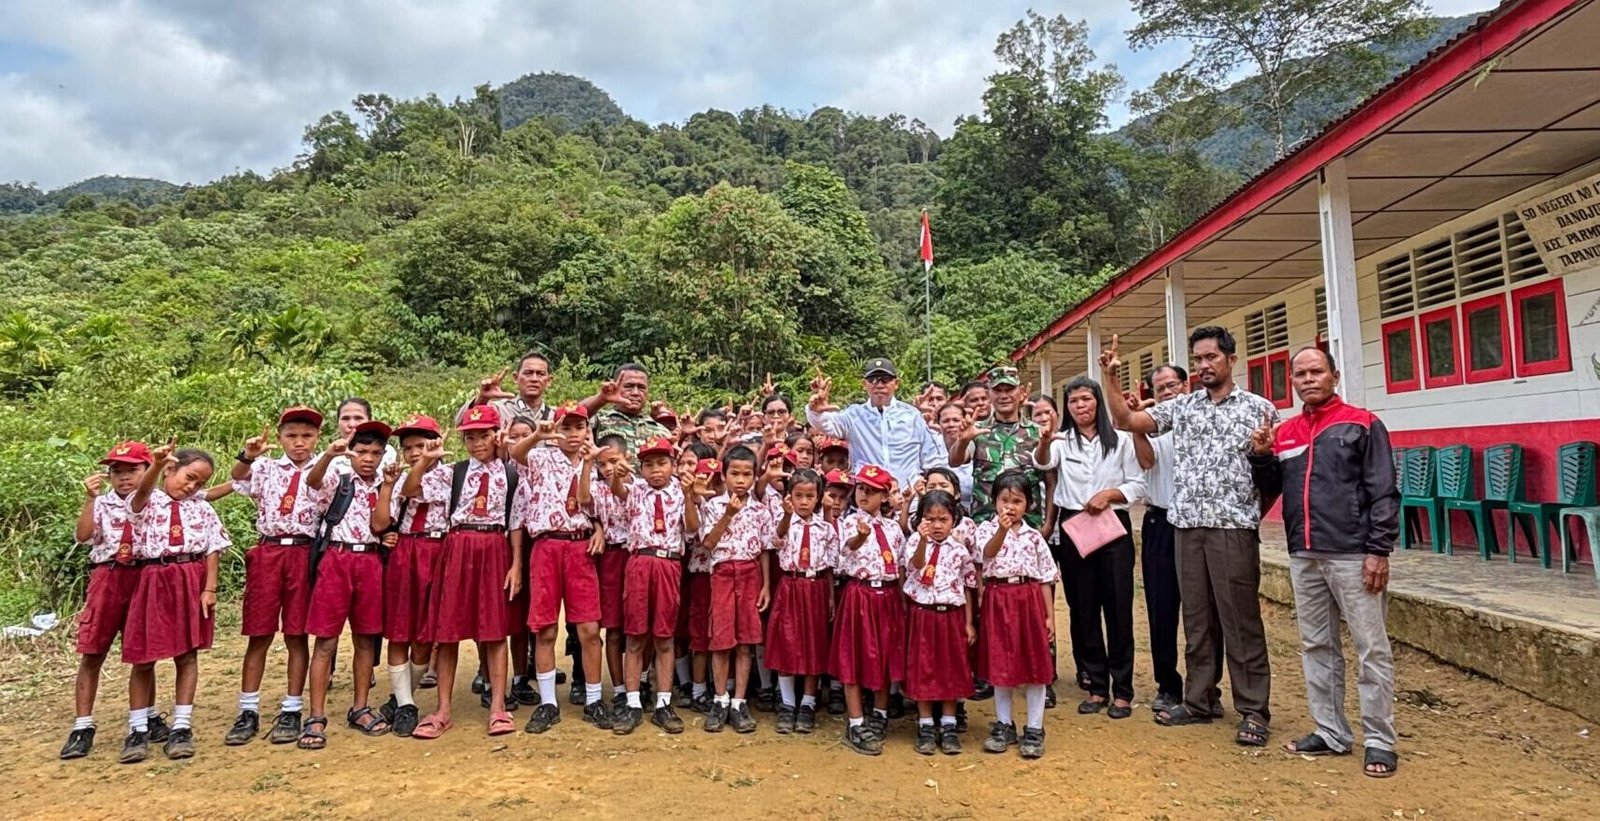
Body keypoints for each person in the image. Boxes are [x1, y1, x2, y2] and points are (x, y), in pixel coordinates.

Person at [1102, 326, 1278, 747]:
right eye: (1198, 359)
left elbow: (1272, 474)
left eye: (1211, 358)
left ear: (1231, 360)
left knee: (1239, 621)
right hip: (1187, 528)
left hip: (1231, 529)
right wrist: (1110, 377)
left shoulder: (1259, 409)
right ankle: (1200, 700)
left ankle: (1253, 709)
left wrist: (1250, 515)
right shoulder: (1182, 408)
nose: (1203, 366)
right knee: (1197, 620)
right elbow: (1126, 420)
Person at [1250, 347, 1400, 778]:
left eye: (1317, 371)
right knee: (1317, 645)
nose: (1308, 379)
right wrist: (1261, 455)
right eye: (1300, 374)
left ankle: (1379, 740)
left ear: (1334, 375)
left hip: (1355, 555)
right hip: (1304, 554)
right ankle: (1330, 731)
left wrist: (1378, 550)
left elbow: (1384, 491)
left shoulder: (1362, 424)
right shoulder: (1287, 432)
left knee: (1371, 649)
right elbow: (1273, 487)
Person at [407, 404, 527, 740]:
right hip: (457, 547)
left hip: (494, 548)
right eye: (470, 437)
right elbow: (412, 490)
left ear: (495, 435)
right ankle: (443, 709)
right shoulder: (452, 473)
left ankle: (498, 708)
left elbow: (516, 522)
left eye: (484, 435)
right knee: (447, 631)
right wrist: (425, 461)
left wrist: (516, 564)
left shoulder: (511, 474)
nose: (477, 443)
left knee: (494, 629)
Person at [1033, 377, 1145, 720]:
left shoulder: (1122, 441)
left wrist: (1109, 495)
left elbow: (1137, 483)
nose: (1080, 406)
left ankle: (1122, 691)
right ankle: (1097, 687)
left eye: (1086, 399)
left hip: (1112, 526)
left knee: (1118, 608)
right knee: (1083, 608)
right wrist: (1043, 442)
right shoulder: (1061, 442)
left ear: (1097, 400)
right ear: (1066, 408)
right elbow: (1042, 464)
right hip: (1074, 526)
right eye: (1073, 402)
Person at [225, 405, 325, 747]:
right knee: (259, 632)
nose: (300, 443)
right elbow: (238, 479)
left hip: (304, 551)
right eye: (292, 436)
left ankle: (292, 707)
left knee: (296, 633)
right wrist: (247, 456)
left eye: (307, 436)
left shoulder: (326, 467)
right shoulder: (266, 467)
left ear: (317, 438)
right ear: (280, 438)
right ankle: (248, 709)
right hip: (268, 551)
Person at [121, 444, 228, 763]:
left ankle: (182, 726)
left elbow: (213, 547)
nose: (192, 486)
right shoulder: (146, 500)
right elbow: (138, 499)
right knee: (143, 656)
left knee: (187, 653)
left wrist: (209, 588)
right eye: (189, 477)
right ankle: (137, 728)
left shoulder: (202, 507)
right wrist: (153, 465)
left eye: (199, 483)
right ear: (170, 470)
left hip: (191, 578)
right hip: (155, 578)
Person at [509, 405, 609, 733]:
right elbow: (516, 451)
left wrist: (599, 528)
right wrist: (539, 434)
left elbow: (602, 506)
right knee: (545, 628)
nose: (572, 434)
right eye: (566, 427)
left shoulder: (596, 464)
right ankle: (548, 702)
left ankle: (594, 699)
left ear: (587, 430)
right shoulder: (542, 456)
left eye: (579, 427)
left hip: (581, 547)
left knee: (589, 629)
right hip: (547, 546)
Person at [62, 442, 162, 760]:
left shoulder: (157, 501)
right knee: (93, 651)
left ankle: (146, 717)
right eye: (116, 471)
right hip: (108, 575)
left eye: (132, 469)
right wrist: (89, 499)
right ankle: (82, 725)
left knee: (143, 654)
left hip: (144, 574)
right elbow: (83, 536)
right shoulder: (102, 503)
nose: (123, 477)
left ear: (148, 470)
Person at [298, 421, 394, 749]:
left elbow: (381, 525)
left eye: (376, 453)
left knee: (367, 638)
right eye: (362, 451)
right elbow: (311, 482)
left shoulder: (386, 484)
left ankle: (360, 707)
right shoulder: (337, 481)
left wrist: (387, 491)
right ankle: (316, 716)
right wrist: (328, 455)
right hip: (336, 560)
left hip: (370, 561)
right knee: (325, 640)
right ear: (351, 452)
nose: (369, 458)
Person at [1129, 364, 1211, 716]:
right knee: (1162, 610)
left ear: (1186, 384)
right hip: (1160, 522)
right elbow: (1146, 463)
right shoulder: (1153, 427)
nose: (1167, 392)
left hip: (1197, 525)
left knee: (1202, 611)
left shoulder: (1200, 421)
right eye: (1160, 388)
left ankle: (1206, 687)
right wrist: (1136, 423)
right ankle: (1168, 685)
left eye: (1172, 385)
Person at [608, 436, 700, 734]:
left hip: (668, 563)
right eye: (648, 464)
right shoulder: (635, 490)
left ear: (673, 465)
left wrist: (687, 496)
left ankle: (663, 702)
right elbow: (618, 491)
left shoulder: (681, 490)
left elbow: (694, 528)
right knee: (635, 636)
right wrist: (617, 477)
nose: (656, 470)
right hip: (639, 562)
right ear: (641, 468)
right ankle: (633, 702)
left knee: (664, 637)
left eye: (662, 463)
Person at [371, 414, 448, 738]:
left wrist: (428, 461)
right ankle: (405, 705)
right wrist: (391, 483)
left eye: (421, 445)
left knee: (425, 634)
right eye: (408, 448)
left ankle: (403, 698)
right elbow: (381, 521)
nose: (415, 452)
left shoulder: (449, 475)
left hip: (438, 552)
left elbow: (420, 487)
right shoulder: (395, 478)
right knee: (400, 630)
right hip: (407, 552)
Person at [974, 470, 1057, 759]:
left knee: (1035, 664)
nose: (1010, 506)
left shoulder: (1035, 537)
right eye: (1004, 500)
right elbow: (987, 554)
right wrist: (1001, 529)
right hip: (999, 599)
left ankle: (1034, 728)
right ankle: (1003, 724)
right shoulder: (985, 529)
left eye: (1017, 501)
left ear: (1029, 505)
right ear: (994, 501)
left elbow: (1046, 578)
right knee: (1001, 665)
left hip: (1029, 600)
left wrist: (1050, 617)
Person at [829, 464, 907, 756]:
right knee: (855, 656)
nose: (864, 495)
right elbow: (848, 548)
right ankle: (855, 721)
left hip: (886, 595)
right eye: (860, 489)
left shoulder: (893, 529)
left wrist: (901, 601)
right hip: (859, 593)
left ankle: (881, 713)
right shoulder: (850, 522)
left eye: (872, 491)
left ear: (885, 497)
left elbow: (898, 567)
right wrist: (862, 536)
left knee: (885, 656)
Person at [698, 445, 775, 733]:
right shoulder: (713, 506)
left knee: (745, 642)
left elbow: (765, 550)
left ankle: (739, 701)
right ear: (724, 474)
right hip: (722, 573)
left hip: (750, 572)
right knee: (721, 641)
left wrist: (766, 584)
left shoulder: (760, 510)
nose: (740, 480)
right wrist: (728, 514)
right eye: (735, 474)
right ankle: (720, 698)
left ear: (755, 477)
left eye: (747, 475)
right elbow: (707, 544)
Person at [902, 489, 976, 756]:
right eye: (929, 519)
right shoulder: (914, 542)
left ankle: (948, 723)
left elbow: (968, 585)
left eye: (942, 519)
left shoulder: (959, 550)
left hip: (951, 616)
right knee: (924, 667)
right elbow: (916, 566)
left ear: (953, 520)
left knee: (949, 667)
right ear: (921, 519)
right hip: (923, 613)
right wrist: (922, 541)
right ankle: (924, 725)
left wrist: (968, 623)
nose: (936, 525)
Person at [766, 468, 838, 736]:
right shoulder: (785, 521)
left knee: (813, 643)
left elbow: (831, 565)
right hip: (791, 585)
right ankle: (787, 702)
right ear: (790, 498)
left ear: (818, 498)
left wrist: (830, 596)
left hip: (816, 586)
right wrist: (786, 515)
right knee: (787, 642)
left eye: (810, 496)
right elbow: (777, 540)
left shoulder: (825, 528)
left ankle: (808, 702)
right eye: (798, 496)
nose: (804, 502)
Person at [806, 358, 945, 488]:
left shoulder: (913, 416)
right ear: (864, 384)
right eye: (873, 379)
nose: (879, 385)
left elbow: (931, 458)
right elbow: (826, 425)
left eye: (885, 379)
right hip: (867, 498)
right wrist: (815, 410)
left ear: (896, 384)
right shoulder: (854, 415)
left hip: (908, 498)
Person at [949, 366, 1043, 527]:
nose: (1004, 396)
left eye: (1009, 390)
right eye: (997, 390)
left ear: (1020, 392)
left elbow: (1050, 479)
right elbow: (955, 461)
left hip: (1027, 527)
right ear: (989, 395)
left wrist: (1047, 525)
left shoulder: (1037, 432)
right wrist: (963, 440)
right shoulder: (977, 430)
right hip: (985, 525)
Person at [584, 434, 634, 719]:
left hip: (638, 557)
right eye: (602, 464)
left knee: (639, 628)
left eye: (614, 461)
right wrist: (597, 526)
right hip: (611, 559)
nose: (608, 469)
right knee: (614, 628)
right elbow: (582, 507)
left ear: (627, 458)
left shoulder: (641, 485)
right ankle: (618, 689)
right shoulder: (596, 488)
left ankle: (637, 684)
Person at [582, 363, 671, 465]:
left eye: (641, 387)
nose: (635, 392)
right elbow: (569, 415)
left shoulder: (662, 431)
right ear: (616, 387)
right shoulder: (599, 420)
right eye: (629, 386)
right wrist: (601, 399)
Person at [458, 351, 556, 427]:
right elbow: (461, 423)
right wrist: (482, 398)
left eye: (540, 374)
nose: (534, 379)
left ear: (549, 380)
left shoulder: (556, 416)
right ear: (515, 377)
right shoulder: (499, 410)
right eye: (528, 373)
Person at [933, 402, 974, 508]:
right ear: (939, 423)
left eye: (956, 420)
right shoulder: (930, 445)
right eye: (946, 421)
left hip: (974, 507)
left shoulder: (975, 442)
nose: (951, 424)